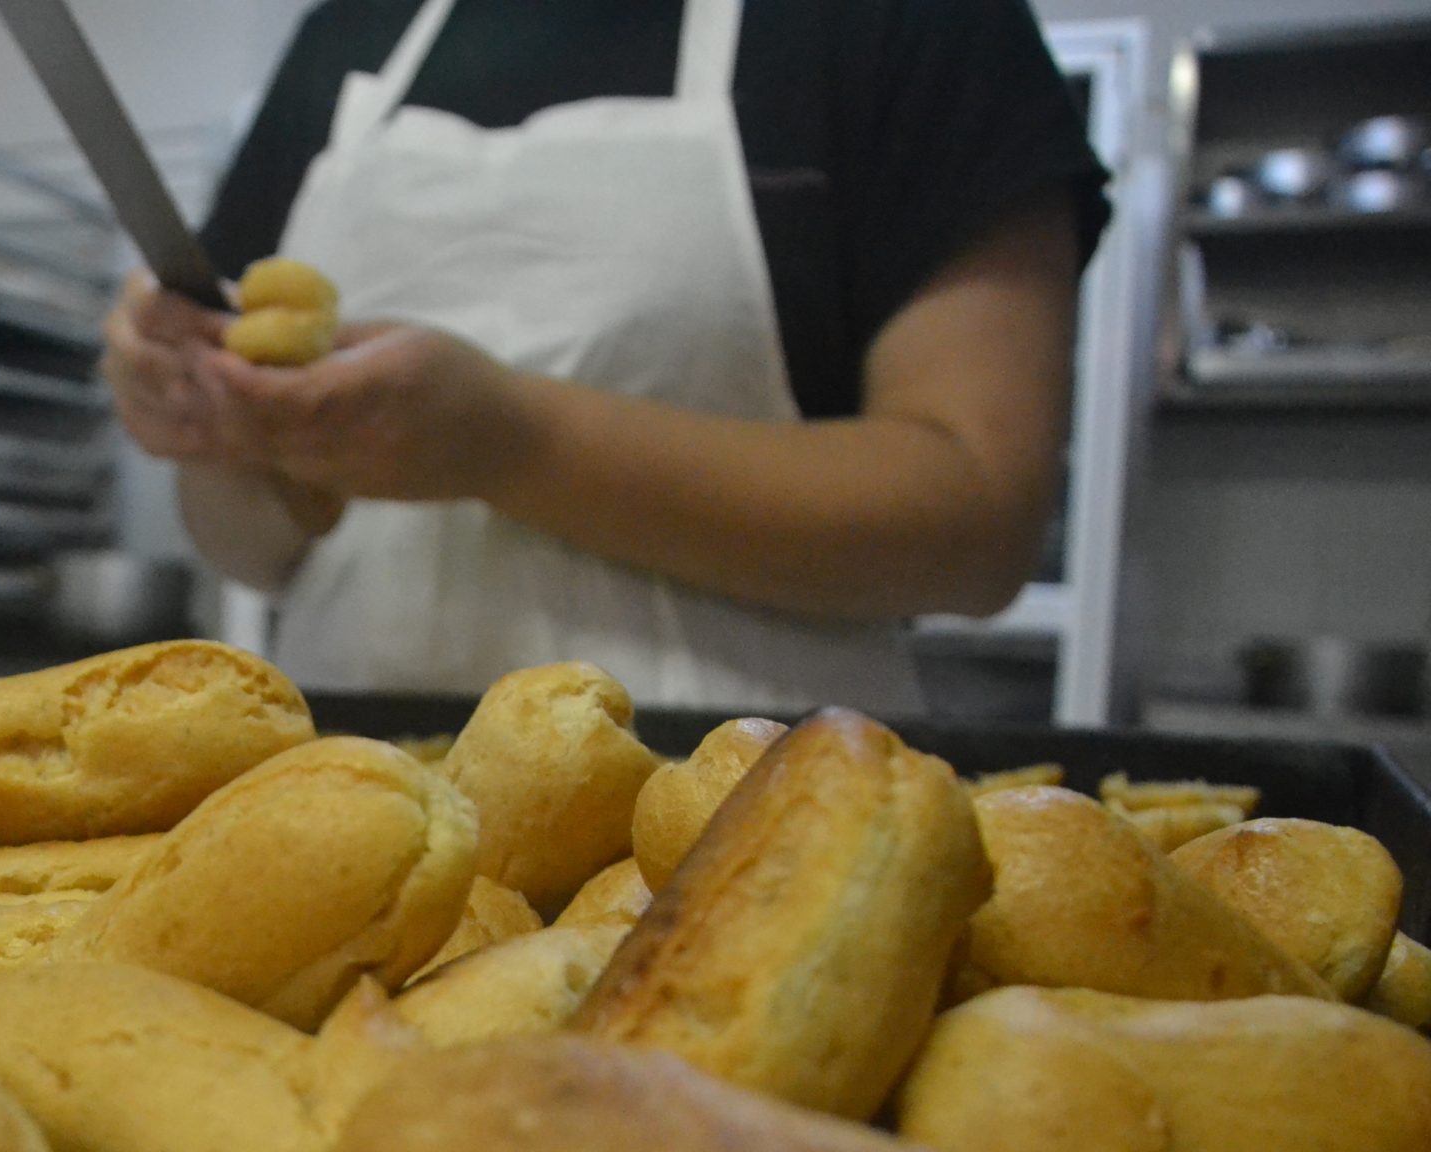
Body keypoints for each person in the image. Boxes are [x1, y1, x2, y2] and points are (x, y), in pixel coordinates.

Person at [103, 0, 1108, 708]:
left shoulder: (907, 22)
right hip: (358, 802)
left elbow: (979, 523)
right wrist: (213, 423)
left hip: (745, 814)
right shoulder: (351, 33)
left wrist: (514, 447)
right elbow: (258, 548)